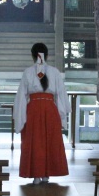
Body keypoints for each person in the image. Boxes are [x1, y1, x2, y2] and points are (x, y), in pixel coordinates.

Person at [13, 42, 69, 184]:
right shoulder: (55, 72)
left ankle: (36, 176)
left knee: (34, 141)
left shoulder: (28, 72)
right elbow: (61, 94)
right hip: (50, 108)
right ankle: (46, 175)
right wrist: (62, 115)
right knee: (50, 141)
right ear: (47, 55)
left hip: (33, 109)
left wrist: (20, 117)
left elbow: (21, 96)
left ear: (33, 56)